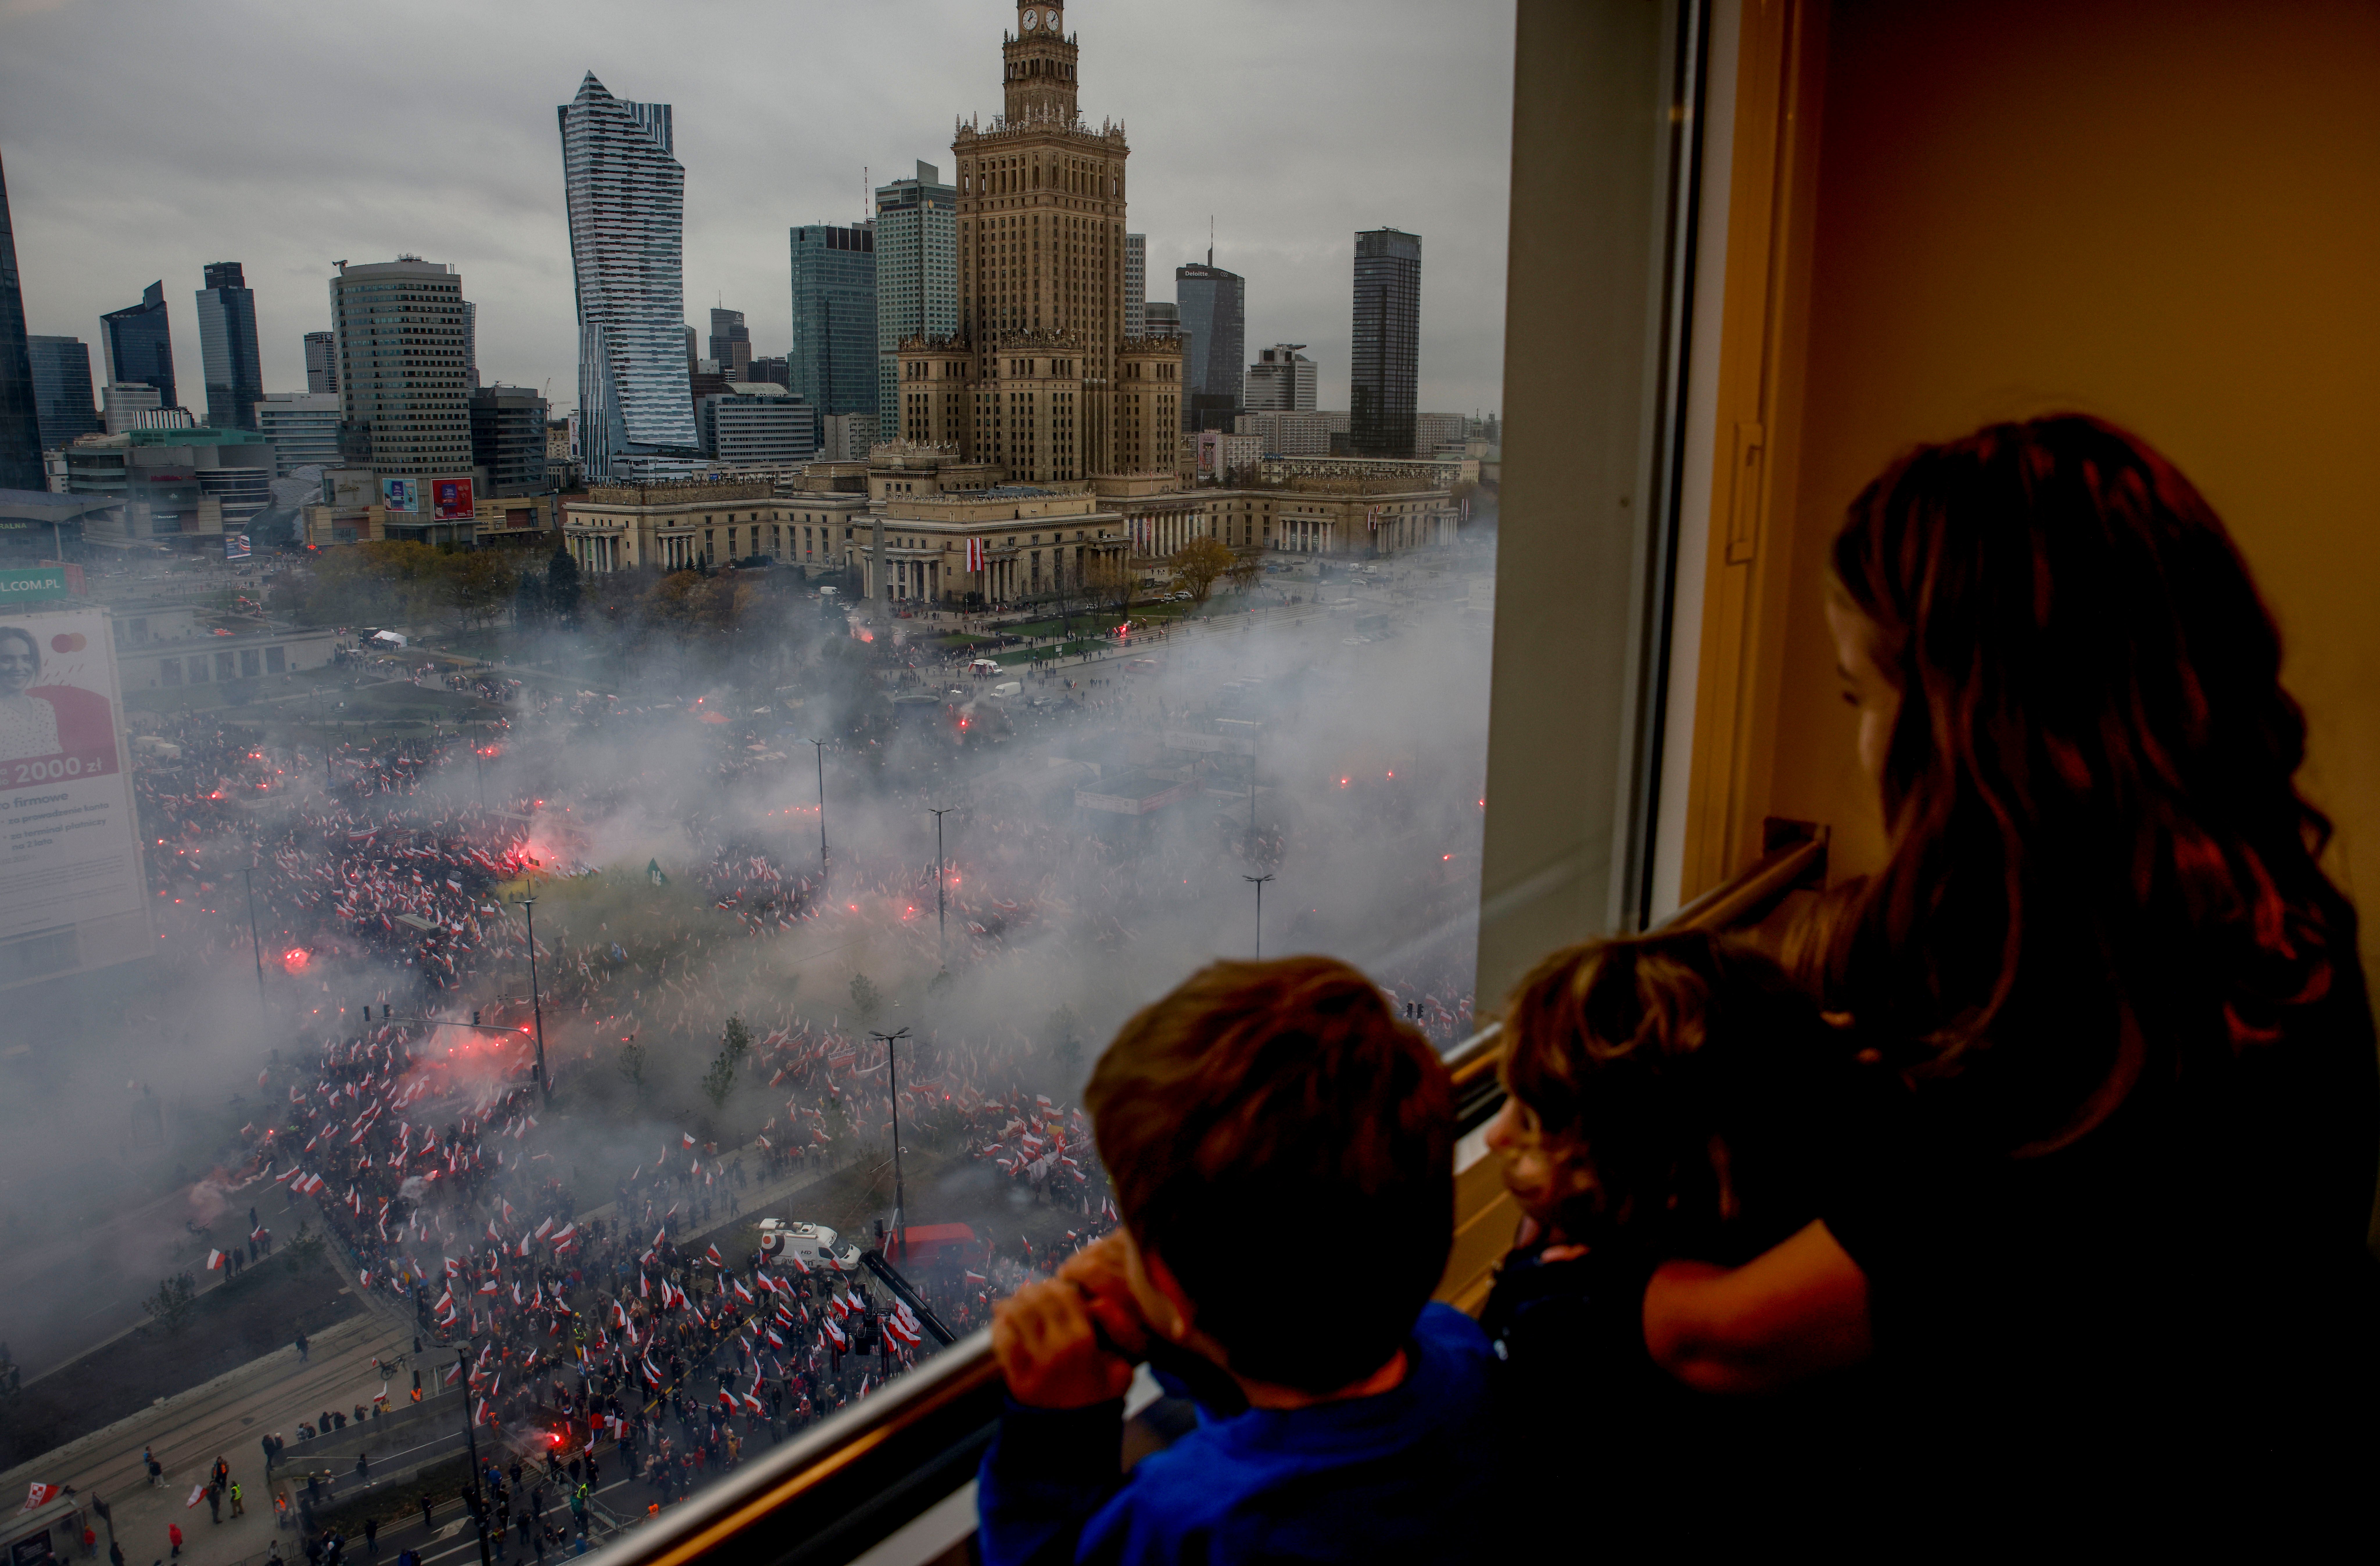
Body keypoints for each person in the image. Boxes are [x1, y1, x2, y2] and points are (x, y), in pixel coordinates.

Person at [1637, 415, 2380, 1537]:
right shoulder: (2271, 917)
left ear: (1969, 726)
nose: (1863, 746)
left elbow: (1726, 1338)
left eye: (1860, 698)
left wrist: (1572, 1278)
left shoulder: (2078, 1030)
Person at [977, 956, 1497, 1565]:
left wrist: (1055, 1437)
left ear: (1170, 1287)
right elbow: (1301, 1372)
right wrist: (1180, 1337)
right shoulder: (1465, 1356)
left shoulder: (1190, 1523)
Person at [1478, 928, 1879, 1541]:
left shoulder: (1567, 1326)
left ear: (1636, 1162)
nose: (1495, 1137)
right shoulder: (1785, 1237)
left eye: (1532, 1116)